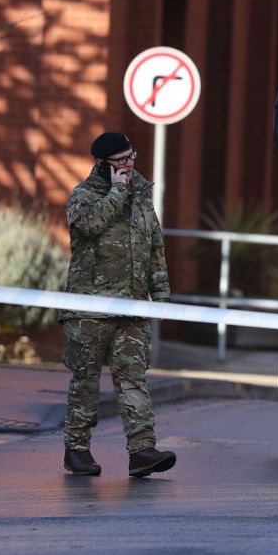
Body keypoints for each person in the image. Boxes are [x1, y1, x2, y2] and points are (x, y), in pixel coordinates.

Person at [59, 132, 176, 478]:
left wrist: (162, 298)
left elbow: (155, 248)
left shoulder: (142, 199)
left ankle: (142, 451)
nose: (129, 165)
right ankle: (76, 450)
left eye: (132, 157)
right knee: (86, 381)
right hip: (89, 310)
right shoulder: (83, 197)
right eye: (122, 161)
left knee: (134, 380)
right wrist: (117, 192)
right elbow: (90, 225)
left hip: (133, 308)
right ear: (103, 165)